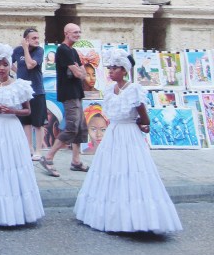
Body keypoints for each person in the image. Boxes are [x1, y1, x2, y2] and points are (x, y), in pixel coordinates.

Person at [74, 52, 182, 234]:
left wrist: (140, 123)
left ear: (124, 70)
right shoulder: (110, 90)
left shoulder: (133, 90)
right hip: (113, 132)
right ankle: (110, 215)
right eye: (110, 68)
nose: (111, 71)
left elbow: (144, 115)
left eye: (115, 68)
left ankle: (138, 217)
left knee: (131, 169)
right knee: (110, 170)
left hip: (129, 133)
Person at [0, 43, 45, 227]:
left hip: (11, 129)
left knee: (11, 166)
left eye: (5, 64)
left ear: (10, 65)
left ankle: (15, 211)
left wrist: (12, 110)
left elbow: (28, 111)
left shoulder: (19, 86)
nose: (2, 68)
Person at [38, 23, 89, 177]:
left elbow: (84, 74)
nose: (78, 35)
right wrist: (77, 70)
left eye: (79, 32)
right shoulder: (63, 50)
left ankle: (76, 161)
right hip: (69, 94)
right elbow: (79, 74)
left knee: (81, 127)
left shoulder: (73, 51)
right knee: (72, 127)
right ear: (66, 33)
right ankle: (48, 157)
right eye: (74, 32)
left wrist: (78, 70)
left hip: (77, 93)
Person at [12, 27, 46, 161]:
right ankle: (29, 148)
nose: (37, 40)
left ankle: (38, 150)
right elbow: (9, 63)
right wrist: (18, 72)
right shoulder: (17, 51)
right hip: (22, 91)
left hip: (36, 91)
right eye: (34, 38)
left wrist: (26, 49)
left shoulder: (39, 51)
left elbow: (30, 64)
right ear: (26, 39)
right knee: (26, 121)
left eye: (38, 38)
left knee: (38, 123)